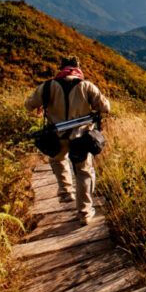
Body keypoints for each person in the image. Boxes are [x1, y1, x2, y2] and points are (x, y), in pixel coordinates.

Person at [25, 55, 110, 225]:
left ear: (61, 69)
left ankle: (65, 191)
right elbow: (106, 108)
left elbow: (29, 105)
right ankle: (85, 213)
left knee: (58, 159)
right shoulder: (86, 86)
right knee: (84, 172)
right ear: (78, 68)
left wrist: (43, 105)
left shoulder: (47, 87)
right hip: (81, 136)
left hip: (56, 136)